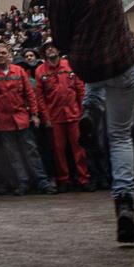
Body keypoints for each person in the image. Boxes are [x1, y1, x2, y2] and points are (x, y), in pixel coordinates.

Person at [44, 0, 134, 243]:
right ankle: (124, 200)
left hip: (88, 64)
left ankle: (90, 109)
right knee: (120, 136)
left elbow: (59, 39)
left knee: (95, 80)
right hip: (121, 61)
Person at [0, 43, 51, 197]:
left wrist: (34, 114)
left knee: (31, 151)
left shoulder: (19, 71)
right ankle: (22, 182)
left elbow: (29, 94)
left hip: (22, 118)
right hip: (3, 121)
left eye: (3, 53)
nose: (0, 55)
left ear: (9, 54)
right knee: (12, 154)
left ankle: (42, 181)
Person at [35, 47, 88, 190]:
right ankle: (64, 180)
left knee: (79, 149)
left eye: (53, 47)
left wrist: (83, 112)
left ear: (58, 50)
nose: (50, 50)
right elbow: (40, 98)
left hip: (74, 114)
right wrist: (46, 117)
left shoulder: (70, 65)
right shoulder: (40, 70)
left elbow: (80, 89)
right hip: (55, 117)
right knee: (58, 151)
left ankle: (84, 179)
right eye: (47, 48)